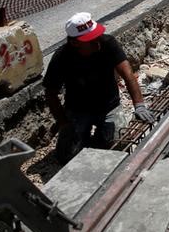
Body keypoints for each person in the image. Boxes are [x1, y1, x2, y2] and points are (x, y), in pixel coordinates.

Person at [43, 12, 155, 164]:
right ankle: (84, 138)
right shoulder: (62, 57)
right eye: (90, 40)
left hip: (108, 106)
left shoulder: (108, 43)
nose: (97, 41)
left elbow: (127, 74)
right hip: (78, 109)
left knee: (118, 144)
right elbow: (50, 93)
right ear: (75, 43)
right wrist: (64, 123)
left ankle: (97, 139)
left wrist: (139, 105)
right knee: (66, 156)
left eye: (96, 36)